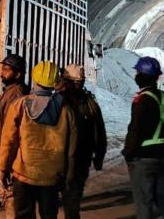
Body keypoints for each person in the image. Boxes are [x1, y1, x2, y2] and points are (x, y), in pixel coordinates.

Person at [0, 60, 78, 219]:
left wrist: (2, 169)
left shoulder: (19, 105)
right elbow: (72, 150)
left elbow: (8, 142)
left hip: (23, 175)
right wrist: (68, 178)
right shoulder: (67, 111)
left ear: (34, 79)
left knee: (23, 215)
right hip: (51, 179)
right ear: (55, 82)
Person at [123, 57, 164, 219]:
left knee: (144, 202)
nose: (136, 75)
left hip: (143, 158)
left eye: (138, 72)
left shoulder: (141, 100)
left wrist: (128, 153)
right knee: (161, 198)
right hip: (162, 156)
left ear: (143, 76)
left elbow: (135, 130)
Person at [61, 63, 107, 219]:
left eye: (79, 82)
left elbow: (99, 131)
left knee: (71, 199)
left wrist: (99, 156)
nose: (78, 85)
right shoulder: (58, 101)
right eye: (76, 82)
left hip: (79, 159)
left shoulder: (89, 104)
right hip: (60, 159)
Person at [0, 54, 29, 160]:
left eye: (6, 70)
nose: (1, 74)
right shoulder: (10, 90)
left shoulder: (16, 93)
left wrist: (4, 157)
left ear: (17, 75)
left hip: (7, 155)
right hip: (2, 151)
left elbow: (11, 129)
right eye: (2, 69)